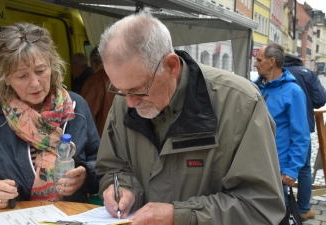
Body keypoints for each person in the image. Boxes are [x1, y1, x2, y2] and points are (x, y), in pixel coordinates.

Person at [95, 12, 285, 224]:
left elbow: (260, 206)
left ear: (172, 66)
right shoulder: (125, 99)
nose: (129, 102)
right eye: (120, 90)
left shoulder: (241, 103)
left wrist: (180, 217)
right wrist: (122, 187)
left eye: (138, 90)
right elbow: (113, 166)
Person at [0, 22, 100, 210]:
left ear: (52, 65)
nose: (35, 83)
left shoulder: (76, 107)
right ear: (5, 78)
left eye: (41, 71)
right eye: (22, 76)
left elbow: (102, 164)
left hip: (71, 218)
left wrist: (86, 176)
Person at [253, 43, 310, 206]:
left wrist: (291, 171)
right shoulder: (257, 87)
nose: (255, 64)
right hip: (255, 163)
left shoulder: (294, 92)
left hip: (276, 168)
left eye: (259, 60)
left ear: (272, 61)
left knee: (277, 212)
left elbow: (301, 136)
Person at [283, 53, 326, 220]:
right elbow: (321, 99)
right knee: (304, 168)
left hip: (278, 128)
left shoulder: (275, 72)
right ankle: (303, 209)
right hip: (302, 127)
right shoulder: (307, 73)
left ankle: (284, 208)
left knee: (278, 166)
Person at [80, 47, 115, 137]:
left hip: (103, 141)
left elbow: (85, 117)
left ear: (94, 64)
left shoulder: (94, 81)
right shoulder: (124, 76)